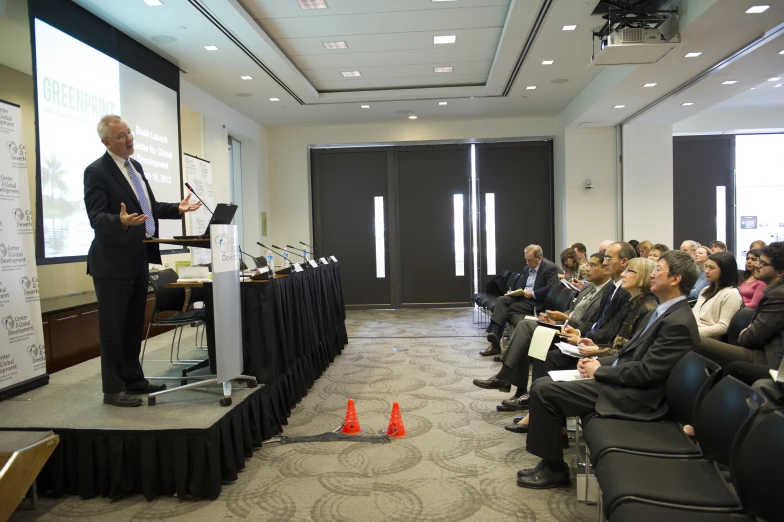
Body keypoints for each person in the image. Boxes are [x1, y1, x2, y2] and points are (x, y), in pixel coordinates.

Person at [516, 250, 699, 489]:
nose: (652, 275)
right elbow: (630, 354)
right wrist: (599, 361)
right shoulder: (665, 311)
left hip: (639, 397)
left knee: (544, 391)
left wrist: (599, 371)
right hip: (625, 381)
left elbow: (647, 373)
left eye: (658, 270)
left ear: (675, 279)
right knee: (542, 384)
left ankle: (554, 469)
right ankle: (550, 462)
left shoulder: (677, 322)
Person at [85, 115, 202, 407]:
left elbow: (148, 207)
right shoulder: (96, 171)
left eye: (129, 132)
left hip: (138, 258)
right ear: (107, 142)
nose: (130, 138)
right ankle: (113, 390)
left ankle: (133, 380)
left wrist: (178, 207)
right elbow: (96, 217)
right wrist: (120, 221)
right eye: (122, 135)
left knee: (133, 325)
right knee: (114, 329)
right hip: (111, 265)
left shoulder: (134, 167)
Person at [506, 257, 658, 434]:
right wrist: (584, 338)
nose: (623, 273)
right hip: (594, 342)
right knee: (540, 341)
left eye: (629, 271)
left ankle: (541, 414)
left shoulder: (640, 305)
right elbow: (611, 333)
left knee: (548, 354)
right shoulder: (630, 301)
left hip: (610, 361)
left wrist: (593, 348)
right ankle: (535, 407)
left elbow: (623, 347)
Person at [485, 243, 635, 411]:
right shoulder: (590, 287)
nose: (587, 269)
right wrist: (557, 318)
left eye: (594, 265)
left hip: (580, 333)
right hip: (568, 326)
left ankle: (514, 383)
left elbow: (596, 325)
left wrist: (567, 323)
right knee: (525, 329)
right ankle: (519, 390)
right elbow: (574, 310)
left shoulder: (612, 291)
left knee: (527, 329)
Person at [696, 242, 784, 369]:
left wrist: (745, 332)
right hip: (760, 351)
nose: (757, 265)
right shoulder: (775, 292)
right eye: (759, 260)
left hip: (765, 358)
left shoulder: (778, 296)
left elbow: (749, 339)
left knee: (694, 340)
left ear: (780, 272)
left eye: (763, 263)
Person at [481, 245, 559, 356]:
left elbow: (552, 287)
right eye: (526, 260)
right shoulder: (527, 269)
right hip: (523, 298)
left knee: (503, 310)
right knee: (502, 300)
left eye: (530, 260)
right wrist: (513, 292)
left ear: (539, 258)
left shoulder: (549, 268)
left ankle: (495, 342)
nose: (528, 263)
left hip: (536, 302)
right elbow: (523, 287)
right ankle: (494, 334)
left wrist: (533, 294)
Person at [692, 251, 743, 339]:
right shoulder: (705, 290)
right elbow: (695, 315)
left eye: (711, 268)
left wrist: (693, 332)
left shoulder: (731, 294)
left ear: (725, 271)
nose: (706, 271)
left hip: (708, 338)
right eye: (706, 266)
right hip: (695, 332)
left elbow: (723, 327)